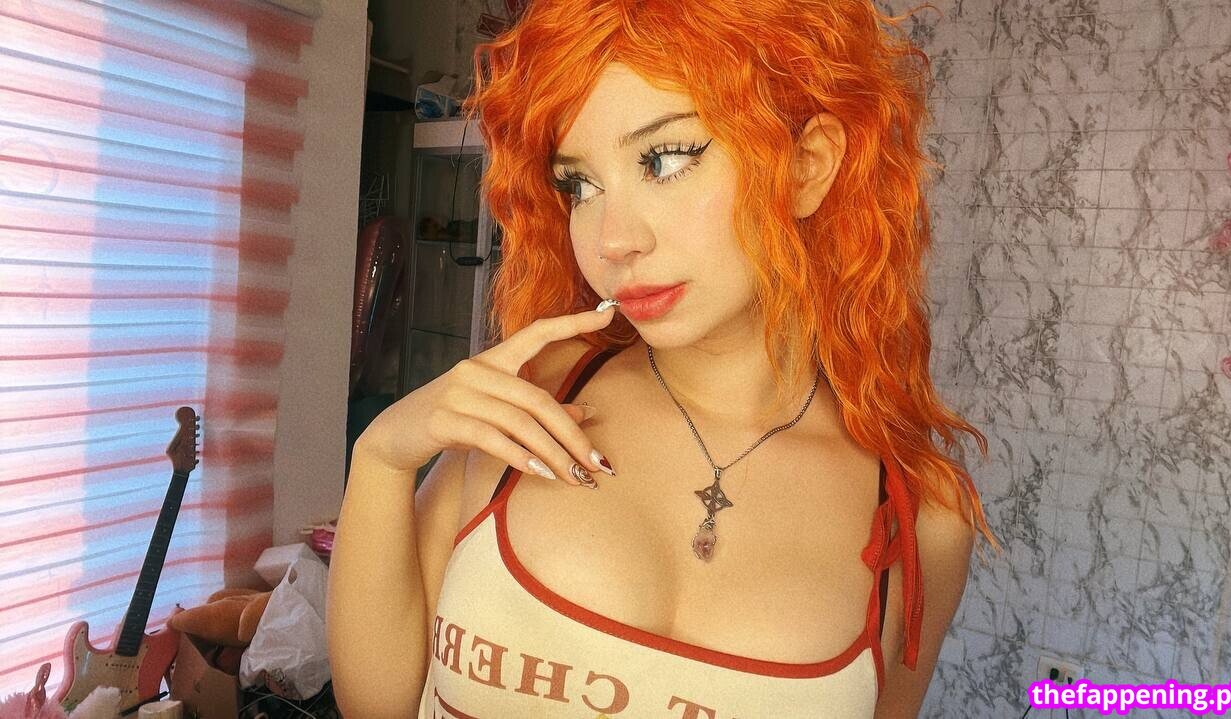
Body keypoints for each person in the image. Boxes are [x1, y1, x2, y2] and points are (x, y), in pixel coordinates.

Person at [328, 0, 999, 716]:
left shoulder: (920, 516)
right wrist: (382, 457)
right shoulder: (533, 398)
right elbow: (378, 707)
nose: (612, 239)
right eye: (579, 185)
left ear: (807, 166)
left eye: (666, 160)